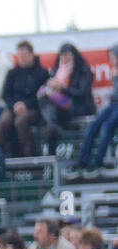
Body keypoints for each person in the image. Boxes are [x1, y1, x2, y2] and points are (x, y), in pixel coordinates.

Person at [69, 43, 118, 178]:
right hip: (113, 105)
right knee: (93, 125)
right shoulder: (114, 71)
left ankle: (98, 162)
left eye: (113, 57)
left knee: (107, 126)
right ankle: (82, 163)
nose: (112, 60)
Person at [39, 42, 95, 156]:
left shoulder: (83, 70)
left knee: (51, 118)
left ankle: (51, 144)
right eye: (62, 55)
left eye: (68, 55)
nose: (65, 58)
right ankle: (51, 130)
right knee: (44, 97)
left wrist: (63, 89)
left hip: (79, 106)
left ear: (74, 56)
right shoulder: (56, 71)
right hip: (60, 108)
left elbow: (81, 93)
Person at [0, 40, 50, 157]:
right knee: (1, 124)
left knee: (21, 121)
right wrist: (14, 105)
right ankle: (0, 157)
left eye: (24, 55)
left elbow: (44, 95)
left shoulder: (42, 72)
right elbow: (6, 94)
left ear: (31, 54)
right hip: (13, 107)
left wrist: (26, 105)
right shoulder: (12, 73)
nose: (22, 59)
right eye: (19, 56)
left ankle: (30, 157)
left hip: (35, 108)